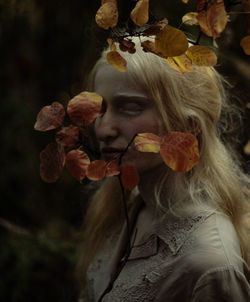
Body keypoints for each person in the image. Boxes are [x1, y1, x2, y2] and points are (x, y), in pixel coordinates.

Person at [77, 37, 250, 302]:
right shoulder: (125, 208)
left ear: (188, 125)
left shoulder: (208, 263)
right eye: (100, 109)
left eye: (130, 108)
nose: (103, 129)